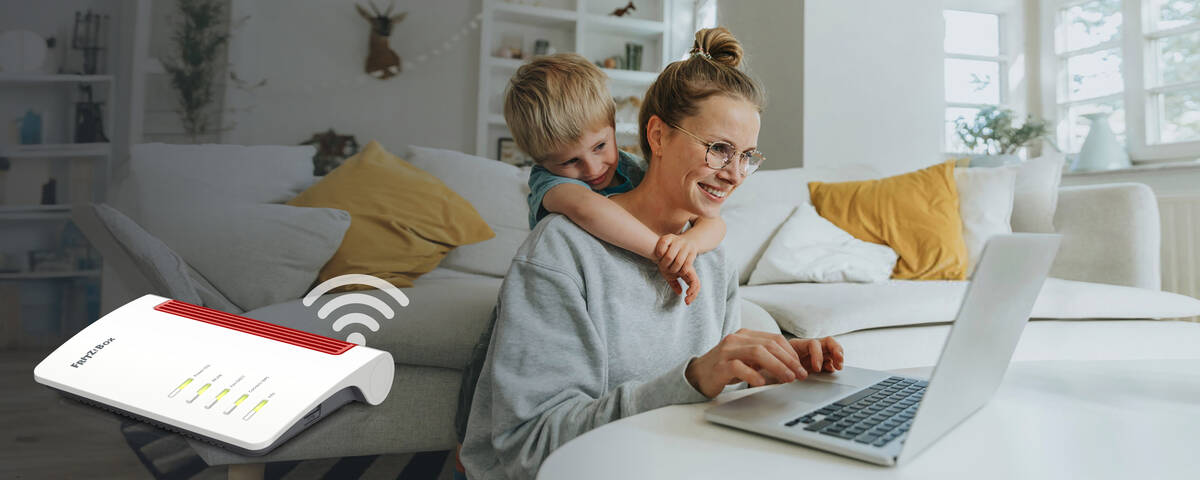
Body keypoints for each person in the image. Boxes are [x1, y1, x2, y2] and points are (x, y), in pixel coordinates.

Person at [459, 28, 845, 479]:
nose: (735, 174)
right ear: (657, 137)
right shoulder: (561, 250)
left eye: (747, 156)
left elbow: (704, 394)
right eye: (720, 149)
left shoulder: (713, 257)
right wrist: (695, 377)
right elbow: (527, 446)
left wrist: (763, 367)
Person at [505, 52, 726, 304]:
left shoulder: (633, 167)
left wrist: (688, 244)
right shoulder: (549, 182)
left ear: (613, 125)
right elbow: (587, 208)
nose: (592, 168)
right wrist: (661, 253)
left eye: (600, 146)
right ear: (541, 161)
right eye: (570, 161)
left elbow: (714, 222)